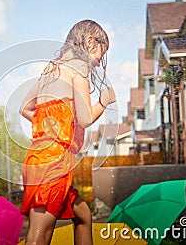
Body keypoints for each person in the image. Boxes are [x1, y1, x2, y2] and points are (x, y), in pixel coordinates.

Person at [19, 19, 115, 245]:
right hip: (53, 163)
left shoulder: (51, 69)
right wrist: (103, 101)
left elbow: (24, 108)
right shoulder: (78, 70)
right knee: (39, 236)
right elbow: (86, 117)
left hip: (37, 159)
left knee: (83, 216)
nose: (101, 60)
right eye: (102, 51)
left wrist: (53, 128)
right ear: (90, 41)